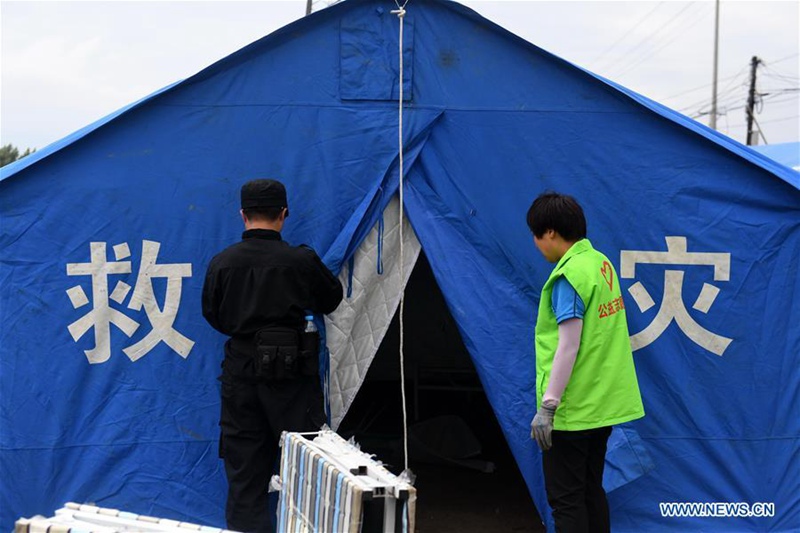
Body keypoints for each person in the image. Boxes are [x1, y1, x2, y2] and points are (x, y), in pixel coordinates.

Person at [202, 179, 343, 533]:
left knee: (245, 472)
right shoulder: (301, 260)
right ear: (284, 214)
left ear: (242, 215)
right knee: (307, 468)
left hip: (241, 374)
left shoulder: (223, 263)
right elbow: (331, 300)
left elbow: (213, 315)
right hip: (294, 374)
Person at [526, 192, 644, 533]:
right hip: (602, 404)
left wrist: (548, 407)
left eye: (536, 235)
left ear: (550, 232)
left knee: (566, 499)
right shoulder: (600, 264)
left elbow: (568, 346)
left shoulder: (570, 276)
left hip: (572, 409)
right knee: (591, 489)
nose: (535, 244)